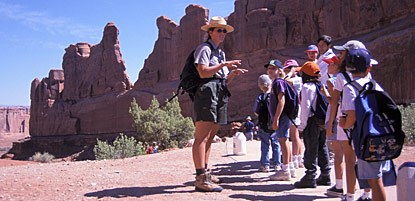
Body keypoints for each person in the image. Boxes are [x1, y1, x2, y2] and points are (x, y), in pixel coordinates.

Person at [192, 16, 248, 192]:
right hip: (206, 93)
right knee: (201, 136)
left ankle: (206, 173)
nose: (222, 33)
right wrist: (224, 64)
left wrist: (232, 74)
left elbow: (222, 81)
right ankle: (200, 178)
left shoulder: (220, 52)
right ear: (210, 32)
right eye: (219, 30)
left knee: (210, 136)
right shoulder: (204, 49)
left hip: (219, 92)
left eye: (224, 30)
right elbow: (202, 72)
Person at [328, 40, 376, 201]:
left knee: (350, 159)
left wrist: (330, 125)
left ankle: (349, 195)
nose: (339, 56)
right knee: (364, 159)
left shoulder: (341, 76)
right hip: (366, 120)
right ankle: (367, 194)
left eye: (342, 53)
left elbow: (334, 101)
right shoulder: (368, 74)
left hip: (346, 120)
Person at [340, 48, 387, 201]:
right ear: (368, 67)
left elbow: (351, 117)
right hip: (380, 134)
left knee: (375, 180)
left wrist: (344, 124)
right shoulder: (375, 85)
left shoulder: (350, 88)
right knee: (376, 178)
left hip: (365, 139)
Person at [294, 61, 331, 188]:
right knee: (322, 147)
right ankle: (325, 175)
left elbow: (306, 107)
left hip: (312, 122)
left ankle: (310, 176)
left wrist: (302, 125)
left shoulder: (307, 87)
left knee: (310, 148)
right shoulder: (321, 85)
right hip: (322, 121)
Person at [320, 55, 347, 197]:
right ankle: (352, 187)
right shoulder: (348, 78)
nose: (328, 67)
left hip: (337, 120)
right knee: (350, 154)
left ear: (336, 66)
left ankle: (339, 186)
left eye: (330, 64)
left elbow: (334, 103)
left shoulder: (332, 81)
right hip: (349, 118)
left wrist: (325, 94)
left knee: (338, 155)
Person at [265, 59, 295, 181]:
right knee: (284, 140)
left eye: (273, 68)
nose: (270, 71)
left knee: (283, 141)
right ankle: (290, 167)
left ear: (279, 70)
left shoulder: (278, 83)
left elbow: (281, 101)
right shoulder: (277, 82)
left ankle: (285, 170)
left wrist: (276, 119)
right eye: (269, 68)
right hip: (282, 117)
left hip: (282, 117)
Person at [254, 74, 281, 172]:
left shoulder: (260, 97)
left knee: (265, 145)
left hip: (263, 125)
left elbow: (256, 111)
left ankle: (265, 165)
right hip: (275, 123)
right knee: (276, 144)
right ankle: (277, 164)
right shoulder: (274, 95)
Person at [282, 59, 304, 169]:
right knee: (296, 135)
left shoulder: (297, 80)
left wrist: (290, 73)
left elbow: (285, 81)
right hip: (292, 108)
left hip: (295, 109)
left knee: (294, 135)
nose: (286, 71)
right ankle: (298, 158)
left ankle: (295, 159)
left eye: (289, 68)